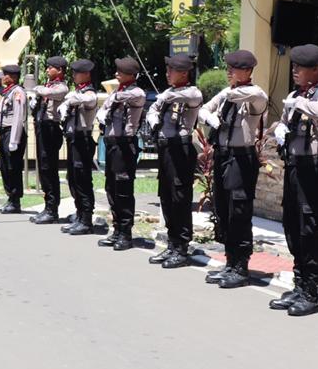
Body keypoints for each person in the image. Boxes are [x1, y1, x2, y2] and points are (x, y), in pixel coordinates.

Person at [269, 44, 318, 316]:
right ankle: (299, 285)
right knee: (292, 226)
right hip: (294, 167)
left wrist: (297, 103)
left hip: (314, 169)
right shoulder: (294, 96)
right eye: (294, 66)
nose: (295, 71)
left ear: (315, 69)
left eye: (300, 67)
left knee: (310, 229)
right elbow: (285, 120)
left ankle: (311, 290)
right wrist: (280, 129)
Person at [199, 50, 268, 288]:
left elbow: (258, 96)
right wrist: (211, 119)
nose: (228, 72)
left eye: (234, 68)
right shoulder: (227, 93)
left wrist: (226, 94)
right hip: (223, 156)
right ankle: (230, 262)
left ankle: (241, 266)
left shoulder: (253, 94)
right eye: (228, 68)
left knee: (239, 212)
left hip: (241, 159)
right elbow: (204, 109)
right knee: (224, 210)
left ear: (247, 71)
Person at [145, 54, 204, 269]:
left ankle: (182, 247)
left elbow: (189, 97)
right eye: (168, 69)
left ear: (184, 73)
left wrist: (165, 97)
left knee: (180, 198)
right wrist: (154, 120)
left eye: (172, 70)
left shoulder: (191, 92)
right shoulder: (168, 93)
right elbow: (153, 109)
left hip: (181, 150)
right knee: (167, 197)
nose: (168, 73)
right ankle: (172, 243)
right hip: (165, 149)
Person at [95, 58, 147, 251]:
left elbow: (125, 98)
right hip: (112, 144)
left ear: (132, 75)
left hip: (125, 145)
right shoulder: (119, 91)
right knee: (111, 187)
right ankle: (117, 229)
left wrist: (112, 99)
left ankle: (126, 233)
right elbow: (104, 109)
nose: (117, 74)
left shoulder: (135, 92)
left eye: (121, 71)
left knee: (123, 189)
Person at [59, 59, 100, 235]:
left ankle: (86, 219)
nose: (74, 75)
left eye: (77, 72)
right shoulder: (78, 92)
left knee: (83, 180)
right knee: (73, 178)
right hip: (73, 140)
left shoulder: (88, 93)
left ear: (87, 74)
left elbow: (89, 100)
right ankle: (80, 214)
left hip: (83, 140)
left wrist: (69, 100)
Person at [30, 57, 69, 224]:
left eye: (50, 67)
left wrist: (36, 89)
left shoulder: (61, 87)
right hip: (41, 127)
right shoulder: (48, 86)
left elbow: (47, 93)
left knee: (49, 169)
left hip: (51, 129)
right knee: (43, 169)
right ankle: (48, 206)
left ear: (59, 70)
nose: (47, 70)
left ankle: (52, 210)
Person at [0, 65, 28, 213]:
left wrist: (14, 140)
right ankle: (10, 198)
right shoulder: (7, 91)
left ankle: (15, 201)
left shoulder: (18, 92)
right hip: (3, 133)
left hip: (12, 133)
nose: (3, 77)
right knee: (4, 166)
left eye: (5, 75)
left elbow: (18, 117)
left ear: (13, 77)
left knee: (12, 167)